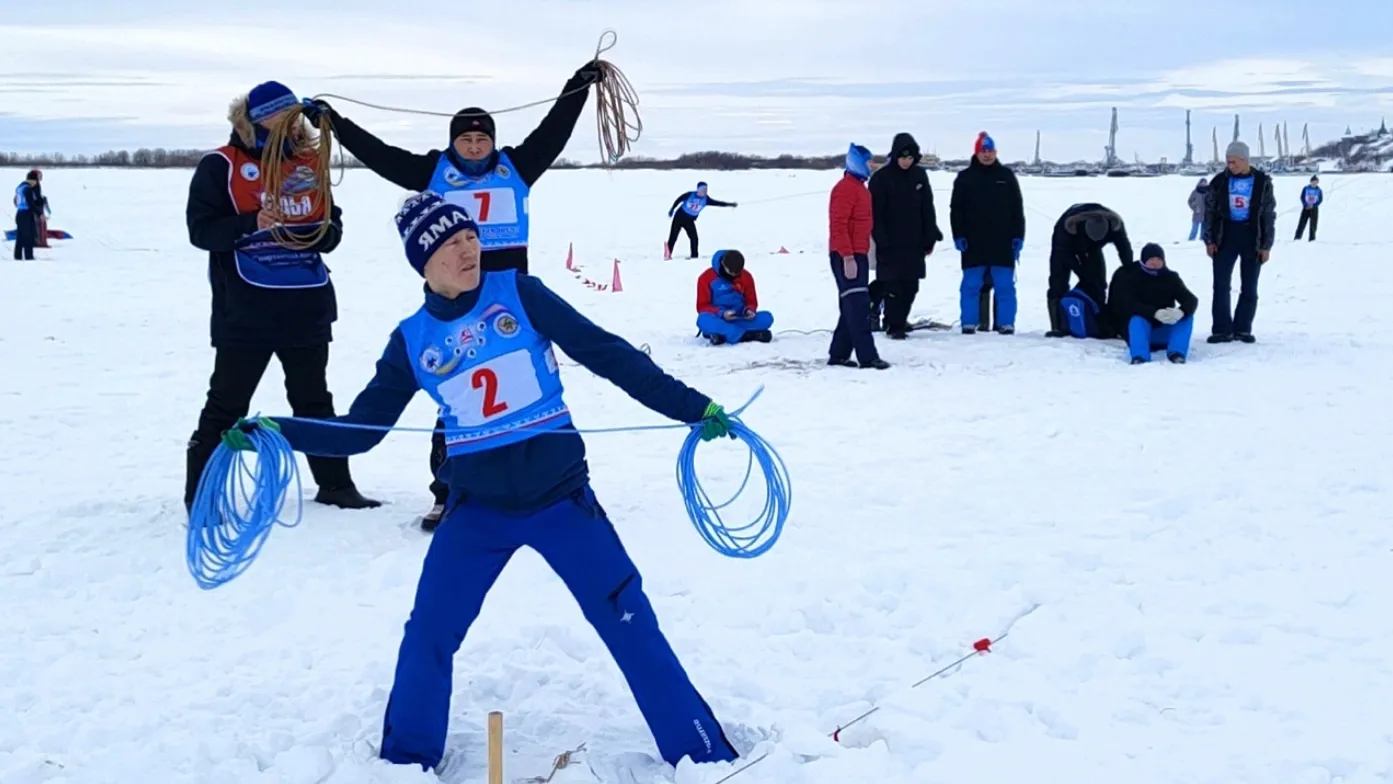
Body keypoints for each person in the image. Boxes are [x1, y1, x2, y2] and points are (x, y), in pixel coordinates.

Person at [225, 191, 741, 774]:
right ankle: (405, 761)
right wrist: (277, 431)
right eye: (451, 243)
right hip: (476, 514)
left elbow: (611, 356)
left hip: (562, 502)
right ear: (423, 262)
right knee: (429, 635)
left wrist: (694, 408)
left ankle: (702, 754)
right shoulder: (412, 341)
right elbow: (359, 433)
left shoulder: (520, 293)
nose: (468, 249)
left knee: (629, 622)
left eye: (470, 236)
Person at [303, 61, 602, 529]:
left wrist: (578, 85)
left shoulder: (517, 166)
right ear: (453, 142)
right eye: (466, 140)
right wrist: (335, 124)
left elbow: (554, 130)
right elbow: (380, 155)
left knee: (529, 388)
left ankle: (554, 481)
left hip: (513, 301)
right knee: (459, 398)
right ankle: (447, 492)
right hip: (456, 302)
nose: (475, 147)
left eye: (483, 140)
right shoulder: (432, 171)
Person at [183, 80, 380, 513]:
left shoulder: (309, 163)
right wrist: (251, 223)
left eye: (294, 117)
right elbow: (201, 231)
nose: (289, 125)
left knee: (314, 400)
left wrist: (322, 234)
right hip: (246, 308)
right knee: (228, 402)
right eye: (279, 117)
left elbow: (333, 227)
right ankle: (201, 495)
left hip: (306, 303)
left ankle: (335, 485)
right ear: (255, 120)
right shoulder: (221, 164)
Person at [867, 132, 942, 339]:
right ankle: (893, 325)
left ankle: (898, 319)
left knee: (911, 286)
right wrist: (881, 240)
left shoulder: (919, 175)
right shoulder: (881, 179)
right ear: (895, 156)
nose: (907, 162)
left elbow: (928, 207)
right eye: (903, 158)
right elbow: (875, 214)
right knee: (892, 286)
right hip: (889, 242)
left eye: (910, 158)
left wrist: (931, 234)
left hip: (914, 242)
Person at [950, 132, 1025, 335]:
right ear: (976, 153)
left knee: (1005, 286)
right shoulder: (964, 178)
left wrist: (1019, 235)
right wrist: (958, 235)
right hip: (973, 241)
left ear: (995, 152)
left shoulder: (1006, 176)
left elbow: (1017, 208)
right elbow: (956, 209)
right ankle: (968, 323)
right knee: (971, 285)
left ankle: (1006, 323)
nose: (987, 155)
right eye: (983, 151)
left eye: (990, 151)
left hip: (1003, 241)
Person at [1202, 141, 1276, 344]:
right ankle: (1222, 329)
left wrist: (1266, 245)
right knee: (1221, 285)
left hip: (1252, 236)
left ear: (1245, 160)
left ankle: (1243, 328)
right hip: (1225, 235)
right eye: (1228, 162)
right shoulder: (1219, 182)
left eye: (1234, 162)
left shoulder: (1262, 182)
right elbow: (1208, 212)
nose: (1230, 166)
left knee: (1250, 286)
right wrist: (1209, 239)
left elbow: (1268, 215)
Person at [828, 144, 889, 370]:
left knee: (851, 306)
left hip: (858, 254)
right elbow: (839, 226)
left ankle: (839, 354)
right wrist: (847, 257)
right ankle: (868, 356)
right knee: (858, 306)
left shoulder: (860, 188)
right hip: (847, 255)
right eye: (868, 161)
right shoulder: (845, 189)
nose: (872, 165)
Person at [1046, 203, 1133, 339]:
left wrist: (1130, 269)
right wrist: (1082, 273)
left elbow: (1124, 248)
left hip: (1094, 248)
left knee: (1098, 281)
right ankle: (1058, 325)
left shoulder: (1115, 225)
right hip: (1066, 246)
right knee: (1058, 281)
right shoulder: (1068, 227)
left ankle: (1098, 319)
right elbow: (1063, 255)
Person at [1107, 243, 1199, 364]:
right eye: (1151, 259)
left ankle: (1176, 352)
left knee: (1187, 317)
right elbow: (1127, 304)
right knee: (1136, 320)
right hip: (1138, 332)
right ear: (1144, 261)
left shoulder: (1171, 277)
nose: (1155, 263)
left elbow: (1191, 299)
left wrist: (1180, 312)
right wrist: (1154, 313)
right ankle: (1140, 356)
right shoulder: (1130, 276)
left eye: (1158, 259)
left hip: (1163, 329)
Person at [695, 250, 774, 345]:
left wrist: (750, 310)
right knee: (703, 320)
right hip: (718, 317)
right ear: (723, 265)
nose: (734, 276)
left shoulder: (746, 276)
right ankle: (745, 335)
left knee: (767, 318)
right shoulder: (706, 278)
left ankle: (722, 334)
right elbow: (702, 307)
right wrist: (722, 314)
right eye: (731, 273)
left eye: (737, 273)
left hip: (740, 317)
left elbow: (751, 301)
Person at [666, 182, 737, 260]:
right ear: (698, 190)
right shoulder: (690, 195)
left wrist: (730, 204)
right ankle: (667, 255)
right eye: (703, 189)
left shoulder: (706, 199)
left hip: (689, 221)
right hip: (679, 218)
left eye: (706, 190)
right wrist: (672, 208)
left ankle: (694, 256)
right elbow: (679, 200)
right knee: (673, 237)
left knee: (694, 238)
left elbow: (718, 203)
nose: (705, 191)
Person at [12, 169, 42, 260]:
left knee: (20, 236)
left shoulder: (20, 187)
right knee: (28, 236)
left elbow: (15, 201)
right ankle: (29, 256)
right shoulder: (28, 189)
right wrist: (39, 213)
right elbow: (31, 203)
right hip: (26, 214)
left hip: (19, 213)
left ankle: (18, 255)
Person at [1295, 175, 1322, 241]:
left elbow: (1320, 199)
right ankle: (1297, 237)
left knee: (1313, 224)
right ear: (1311, 182)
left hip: (1314, 208)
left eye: (1316, 182)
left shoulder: (1319, 190)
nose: (1314, 183)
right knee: (1302, 223)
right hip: (1306, 207)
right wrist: (1305, 204)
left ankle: (1312, 239)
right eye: (1313, 182)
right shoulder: (1306, 188)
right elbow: (1302, 197)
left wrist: (1314, 205)